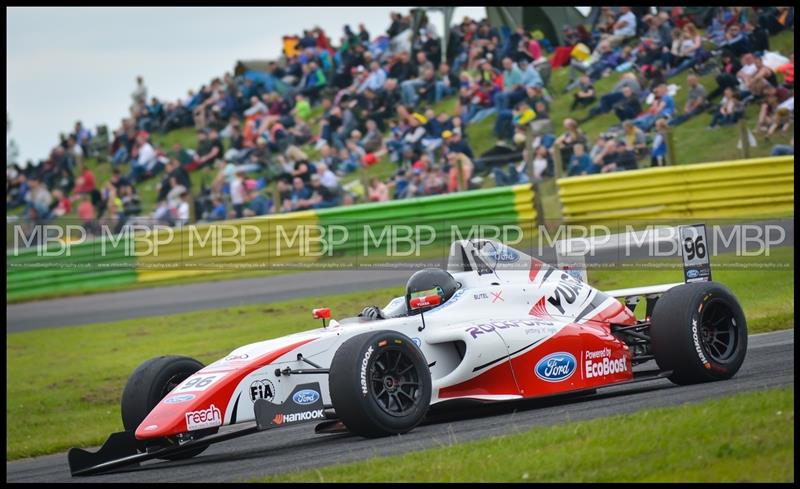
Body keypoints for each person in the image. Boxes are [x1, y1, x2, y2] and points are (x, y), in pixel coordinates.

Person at [358, 268, 460, 320]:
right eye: (416, 300)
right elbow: (404, 319)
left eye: (429, 299)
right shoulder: (408, 316)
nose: (421, 302)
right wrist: (381, 318)